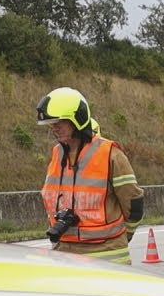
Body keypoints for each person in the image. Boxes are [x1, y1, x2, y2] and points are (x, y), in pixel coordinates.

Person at [36, 87, 145, 264]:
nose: (54, 127)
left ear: (76, 119)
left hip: (105, 254)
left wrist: (124, 235)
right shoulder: (57, 154)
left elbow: (133, 202)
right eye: (51, 122)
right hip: (64, 251)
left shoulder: (110, 154)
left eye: (59, 121)